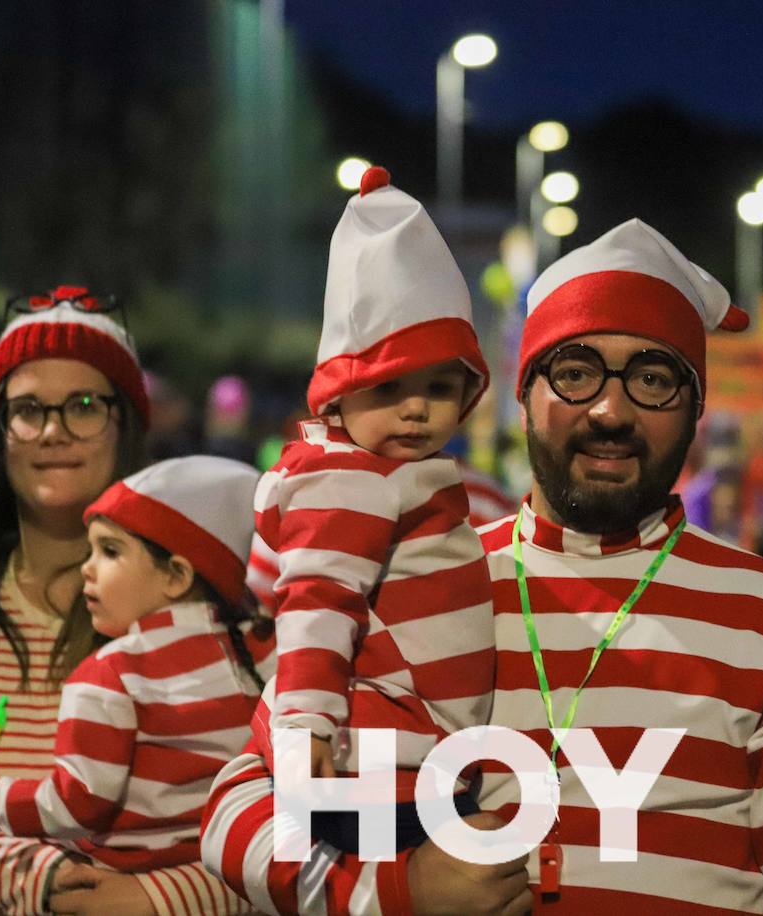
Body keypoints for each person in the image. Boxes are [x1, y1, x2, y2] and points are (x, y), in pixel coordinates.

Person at [203, 219, 763, 915]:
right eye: (574, 372)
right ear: (524, 396)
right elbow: (234, 814)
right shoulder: (412, 580)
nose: (608, 410)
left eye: (653, 378)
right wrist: (396, 893)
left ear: (696, 408)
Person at [0, 287, 254, 915]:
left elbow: (264, 821)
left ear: (128, 424)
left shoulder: (207, 623)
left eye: (85, 406)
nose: (53, 432)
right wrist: (45, 880)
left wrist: (150, 898)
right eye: (28, 409)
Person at [250, 165, 495, 853]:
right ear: (338, 396)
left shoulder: (390, 475)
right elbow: (316, 604)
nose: (417, 408)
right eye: (388, 387)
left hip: (412, 761)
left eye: (440, 386)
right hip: (381, 772)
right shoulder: (352, 482)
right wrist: (305, 731)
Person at [0, 455, 266, 874]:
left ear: (176, 576)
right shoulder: (261, 654)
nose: (86, 568)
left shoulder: (110, 674)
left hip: (124, 881)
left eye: (109, 550)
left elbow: (75, 806)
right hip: (230, 880)